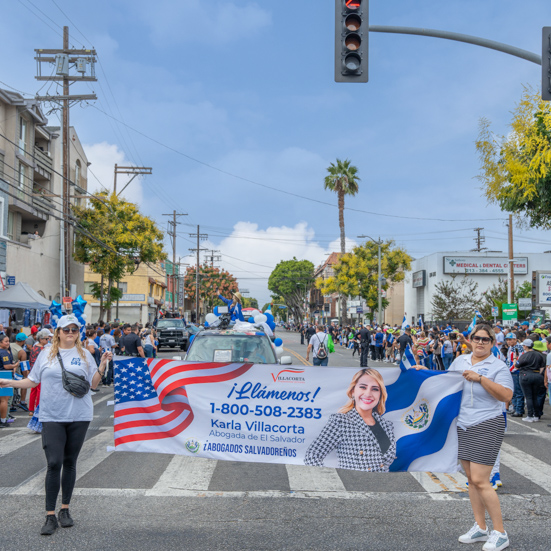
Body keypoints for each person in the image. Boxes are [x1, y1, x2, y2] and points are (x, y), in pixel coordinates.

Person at [0, 314, 112, 535]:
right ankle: (49, 515)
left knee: (70, 462)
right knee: (53, 463)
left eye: (74, 329)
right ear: (58, 332)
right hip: (52, 416)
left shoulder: (85, 355)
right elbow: (32, 381)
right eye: (66, 329)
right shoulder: (45, 355)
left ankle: (65, 509)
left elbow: (92, 385)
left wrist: (102, 364)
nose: (70, 332)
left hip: (79, 415)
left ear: (78, 332)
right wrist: (9, 382)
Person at [419, 324, 513, 551]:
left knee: (482, 480)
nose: (480, 342)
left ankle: (500, 533)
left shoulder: (498, 366)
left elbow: (507, 396)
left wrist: (481, 378)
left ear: (493, 342)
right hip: (462, 423)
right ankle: (480, 527)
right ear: (469, 340)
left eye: (485, 339)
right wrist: (422, 372)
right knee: (471, 480)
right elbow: (446, 381)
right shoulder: (460, 361)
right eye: (476, 338)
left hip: (487, 423)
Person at [304, 368, 396, 471]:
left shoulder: (386, 425)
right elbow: (312, 456)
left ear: (380, 395)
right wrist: (333, 482)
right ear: (353, 391)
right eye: (363, 387)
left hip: (384, 485)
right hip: (354, 485)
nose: (368, 393)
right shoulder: (341, 421)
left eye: (375, 389)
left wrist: (417, 371)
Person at [515, 339, 545, 422]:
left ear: (525, 346)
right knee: (535, 397)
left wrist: (515, 357)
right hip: (537, 375)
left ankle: (530, 416)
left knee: (528, 397)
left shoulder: (524, 355)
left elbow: (516, 366)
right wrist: (537, 374)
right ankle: (536, 415)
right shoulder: (539, 355)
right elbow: (542, 368)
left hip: (526, 375)